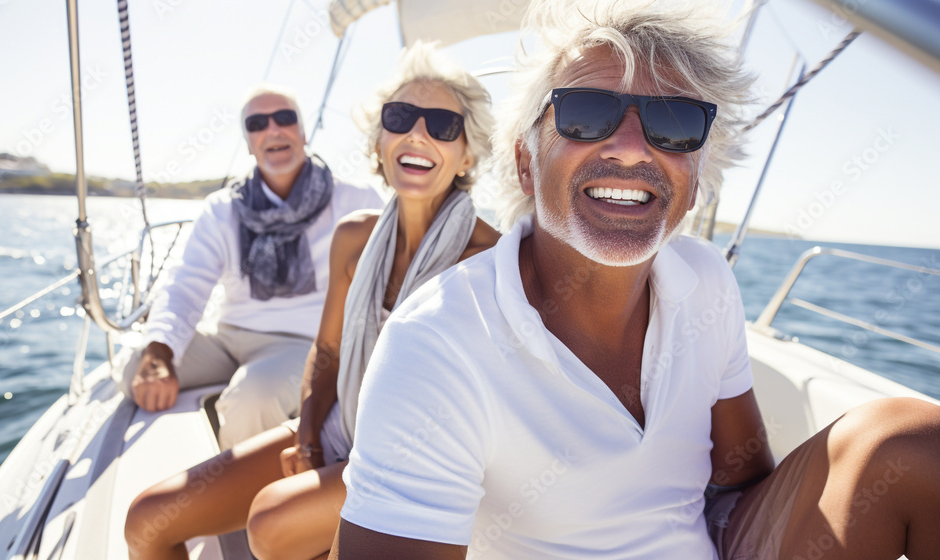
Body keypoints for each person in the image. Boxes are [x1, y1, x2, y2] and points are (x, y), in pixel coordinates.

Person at [330, 2, 940, 559]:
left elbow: (740, 490)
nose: (628, 148)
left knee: (910, 442)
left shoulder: (707, 283)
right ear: (524, 162)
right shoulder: (438, 342)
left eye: (673, 123)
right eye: (586, 113)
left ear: (696, 176)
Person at [124, 41, 499, 560]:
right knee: (146, 522)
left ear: (468, 155)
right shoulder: (353, 237)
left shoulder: (489, 259)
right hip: (339, 422)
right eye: (401, 117)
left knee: (270, 524)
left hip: (413, 457)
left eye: (442, 124)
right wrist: (307, 440)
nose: (418, 133)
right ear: (378, 142)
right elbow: (326, 355)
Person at [116, 86, 383, 450]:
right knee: (135, 366)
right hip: (229, 338)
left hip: (304, 342)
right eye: (257, 123)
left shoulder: (356, 200)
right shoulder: (222, 208)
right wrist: (158, 352)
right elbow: (186, 284)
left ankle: (242, 503)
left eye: (284, 118)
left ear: (303, 133)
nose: (272, 129)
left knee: (251, 401)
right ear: (248, 142)